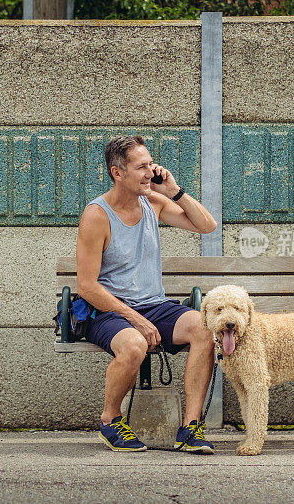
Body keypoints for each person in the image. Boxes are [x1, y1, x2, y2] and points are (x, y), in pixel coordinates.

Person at [76, 135, 218, 453]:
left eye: (150, 163)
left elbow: (207, 226)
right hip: (109, 311)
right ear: (118, 172)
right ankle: (110, 421)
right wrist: (135, 318)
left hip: (154, 304)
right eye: (141, 167)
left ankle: (190, 429)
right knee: (134, 344)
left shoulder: (152, 201)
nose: (150, 171)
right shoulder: (97, 215)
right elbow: (86, 286)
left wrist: (175, 191)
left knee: (204, 329)